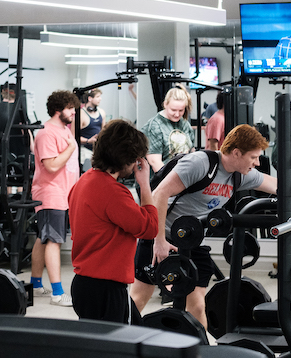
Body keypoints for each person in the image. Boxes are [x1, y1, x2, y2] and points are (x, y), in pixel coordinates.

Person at [130, 124, 291, 329]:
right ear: (236, 153)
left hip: (190, 239)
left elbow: (281, 186)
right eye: (253, 157)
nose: (257, 162)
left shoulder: (240, 174)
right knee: (139, 299)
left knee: (198, 306)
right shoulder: (200, 163)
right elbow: (159, 195)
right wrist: (159, 241)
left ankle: (200, 351)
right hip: (160, 234)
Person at [68, 119, 157, 323]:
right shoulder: (113, 192)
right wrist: (144, 184)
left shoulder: (83, 182)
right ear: (126, 159)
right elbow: (149, 228)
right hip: (106, 288)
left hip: (84, 285)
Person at [29, 90, 81, 307]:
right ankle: (58, 294)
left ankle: (35, 285)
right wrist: (70, 147)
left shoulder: (65, 130)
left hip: (64, 193)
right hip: (51, 193)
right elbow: (50, 166)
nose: (73, 113)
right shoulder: (46, 133)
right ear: (58, 109)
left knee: (44, 238)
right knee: (53, 240)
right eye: (70, 109)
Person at [142, 87, 195, 172]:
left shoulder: (185, 124)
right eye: (173, 110)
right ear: (165, 104)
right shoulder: (155, 126)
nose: (177, 114)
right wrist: (173, 180)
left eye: (181, 110)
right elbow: (154, 162)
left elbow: (191, 151)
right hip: (160, 181)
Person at [0, 83, 30, 162]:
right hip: (19, 154)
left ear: (3, 92)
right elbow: (26, 132)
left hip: (2, 152)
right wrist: (33, 151)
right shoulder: (20, 109)